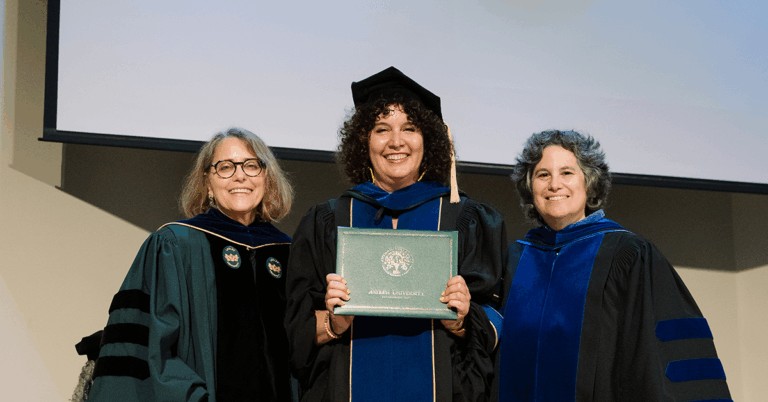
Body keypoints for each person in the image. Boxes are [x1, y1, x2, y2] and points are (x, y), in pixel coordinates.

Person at [284, 66, 507, 402]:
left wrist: (462, 319)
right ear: (363, 141)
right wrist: (332, 323)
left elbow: (496, 317)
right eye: (381, 129)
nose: (396, 141)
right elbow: (296, 331)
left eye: (410, 128)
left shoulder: (465, 219)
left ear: (428, 140)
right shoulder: (329, 221)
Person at [495, 130, 732, 401]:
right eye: (543, 174)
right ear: (530, 186)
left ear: (589, 182)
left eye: (567, 173)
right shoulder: (514, 259)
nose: (554, 184)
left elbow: (654, 359)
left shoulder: (628, 255)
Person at [87, 128, 295, 401]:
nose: (240, 175)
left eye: (251, 166)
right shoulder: (175, 245)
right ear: (207, 182)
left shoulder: (287, 251)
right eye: (225, 167)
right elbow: (152, 345)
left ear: (266, 179)